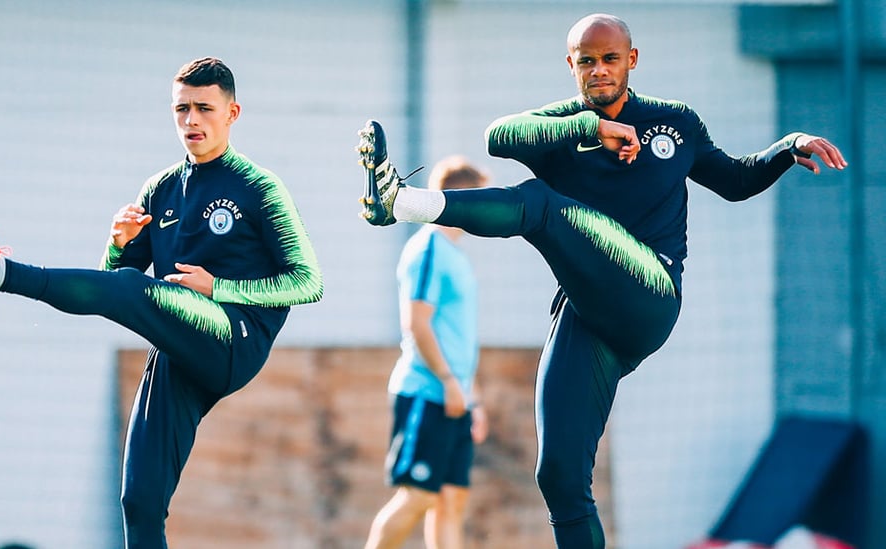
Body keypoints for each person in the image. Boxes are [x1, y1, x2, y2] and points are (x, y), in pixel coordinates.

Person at [356, 13, 846, 549]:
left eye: (610, 59)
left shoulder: (674, 122)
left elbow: (733, 180)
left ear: (631, 61)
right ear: (571, 65)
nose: (599, 71)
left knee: (540, 202)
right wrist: (589, 127)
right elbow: (499, 136)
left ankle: (402, 202)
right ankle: (398, 202)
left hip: (651, 293)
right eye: (586, 61)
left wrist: (787, 146)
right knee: (559, 475)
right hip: (588, 317)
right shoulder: (566, 127)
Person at [0, 57, 323, 548]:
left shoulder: (260, 187)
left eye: (204, 109)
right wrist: (115, 243)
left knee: (132, 287)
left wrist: (221, 288)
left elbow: (308, 281)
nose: (191, 121)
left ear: (232, 114)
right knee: (140, 501)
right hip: (178, 349)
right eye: (181, 109)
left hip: (235, 336)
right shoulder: (160, 189)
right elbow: (109, 290)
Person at [364, 156, 490, 549]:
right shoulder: (428, 248)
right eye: (483, 199)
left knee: (451, 501)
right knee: (417, 495)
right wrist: (451, 384)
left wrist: (475, 399)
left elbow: (459, 336)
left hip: (457, 398)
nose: (489, 210)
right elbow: (416, 324)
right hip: (426, 393)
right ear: (460, 200)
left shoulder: (457, 254)